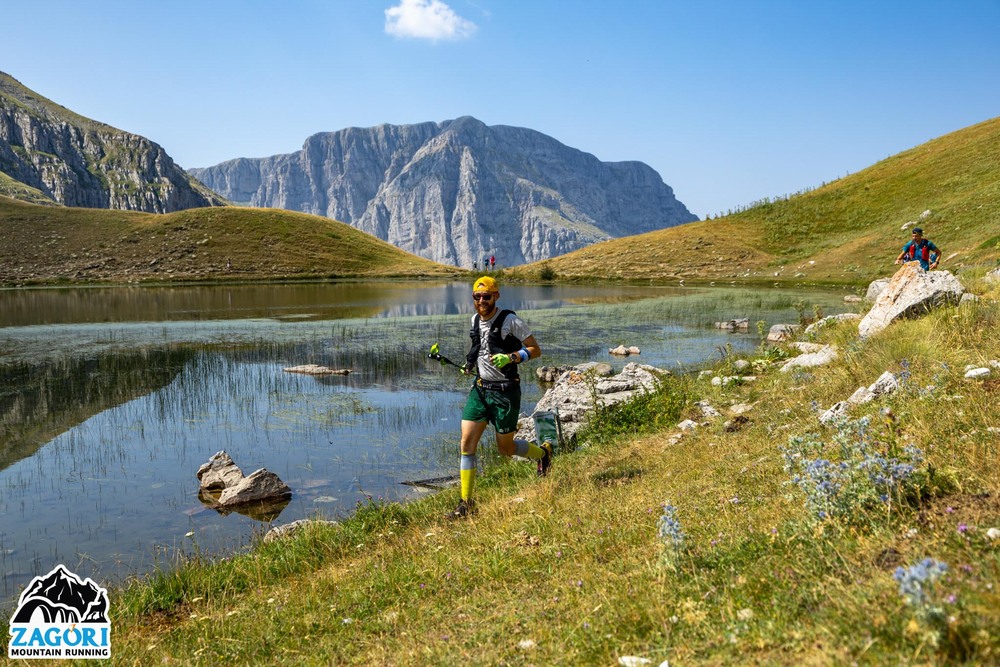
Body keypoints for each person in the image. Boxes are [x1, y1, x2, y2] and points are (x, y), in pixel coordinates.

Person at [450, 276, 551, 519]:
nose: (482, 301)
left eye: (487, 296)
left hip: (506, 392)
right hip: (481, 390)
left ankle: (543, 455)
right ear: (473, 298)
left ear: (496, 296)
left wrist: (513, 357)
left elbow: (535, 350)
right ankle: (466, 504)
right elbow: (479, 348)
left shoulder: (510, 320)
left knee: (505, 449)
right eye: (477, 297)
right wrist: (469, 364)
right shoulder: (474, 319)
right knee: (466, 444)